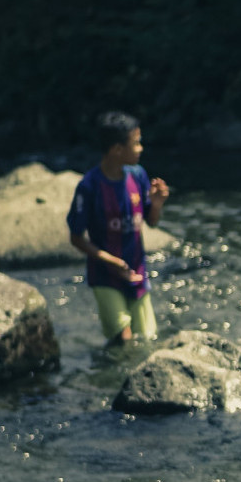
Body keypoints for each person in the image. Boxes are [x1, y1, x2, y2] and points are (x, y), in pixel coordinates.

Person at [67, 111, 170, 345]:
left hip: (137, 272)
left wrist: (156, 204)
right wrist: (110, 261)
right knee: (123, 341)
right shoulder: (89, 186)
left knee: (145, 340)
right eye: (136, 143)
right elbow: (76, 237)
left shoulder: (138, 176)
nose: (141, 148)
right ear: (116, 150)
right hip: (106, 275)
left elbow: (151, 221)